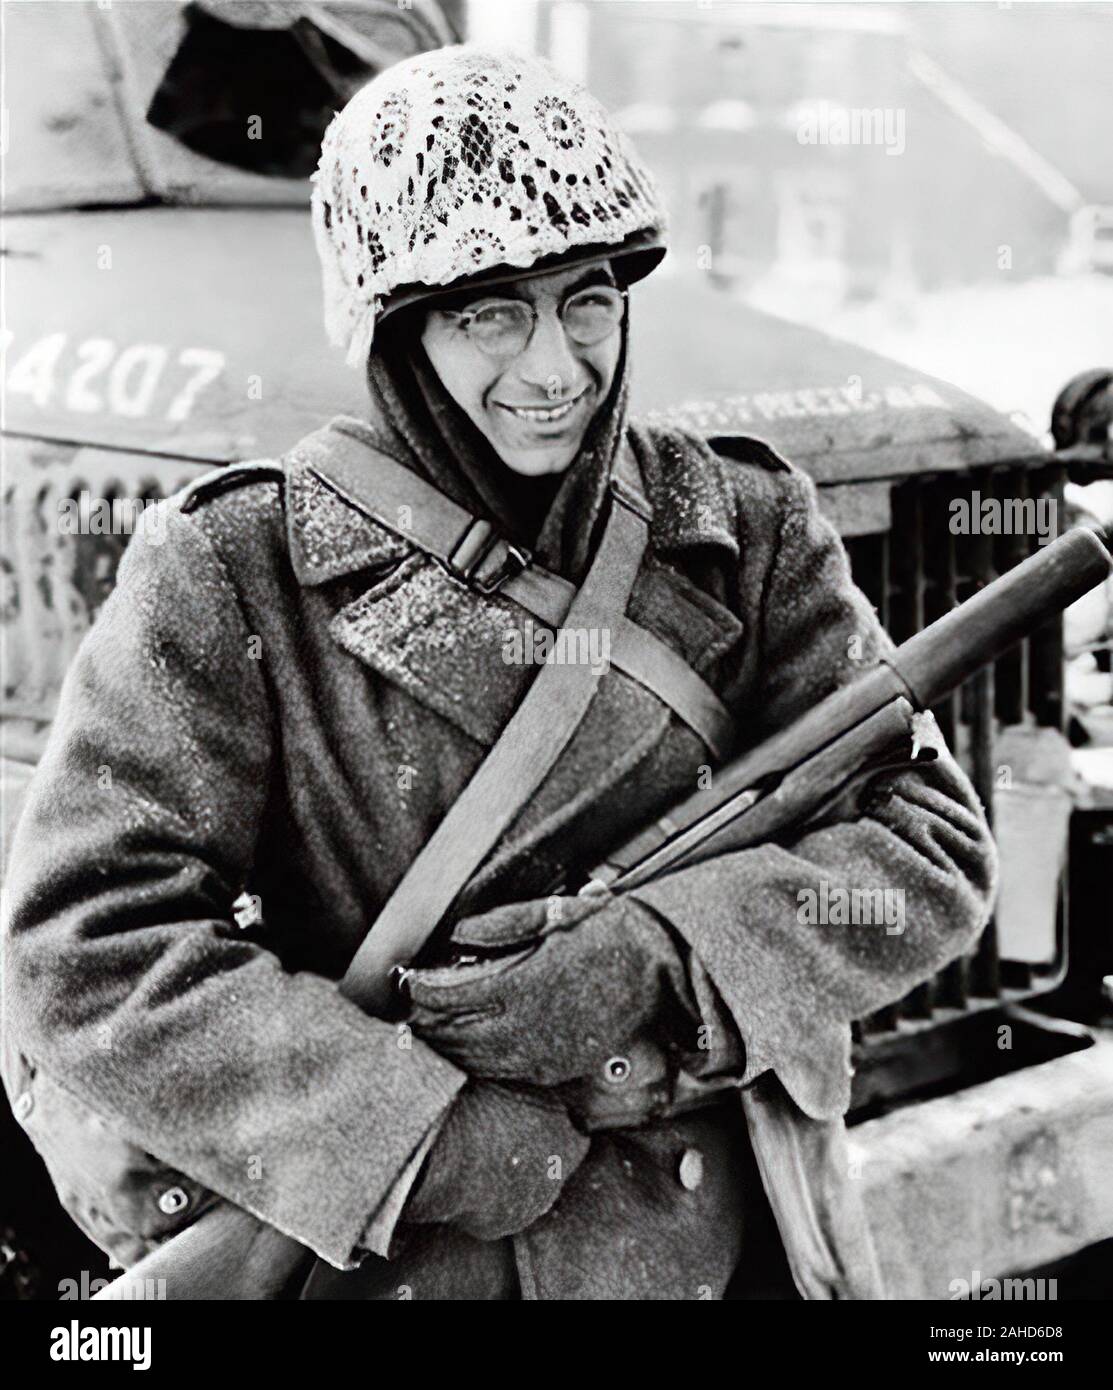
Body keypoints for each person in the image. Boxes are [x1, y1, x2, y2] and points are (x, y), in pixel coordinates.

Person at [1, 44, 996, 1301]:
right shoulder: (234, 567)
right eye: (489, 311)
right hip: (416, 1256)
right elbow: (87, 944)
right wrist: (414, 1134)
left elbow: (929, 847)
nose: (555, 368)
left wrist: (656, 957)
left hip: (716, 1241)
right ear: (398, 328)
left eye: (588, 296)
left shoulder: (742, 523)